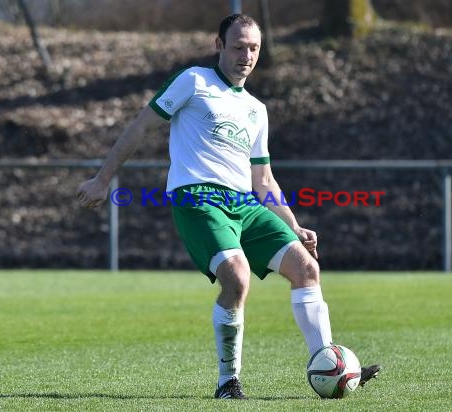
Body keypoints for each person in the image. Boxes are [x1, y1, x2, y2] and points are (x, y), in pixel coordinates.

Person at [77, 13, 380, 399]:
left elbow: (264, 181)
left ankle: (330, 364)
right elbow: (141, 126)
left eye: (253, 48)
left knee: (307, 269)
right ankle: (228, 383)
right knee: (237, 277)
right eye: (238, 46)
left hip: (244, 203)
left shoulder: (257, 109)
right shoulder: (193, 81)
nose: (246, 55)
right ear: (219, 45)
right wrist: (102, 178)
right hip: (198, 198)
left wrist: (294, 225)